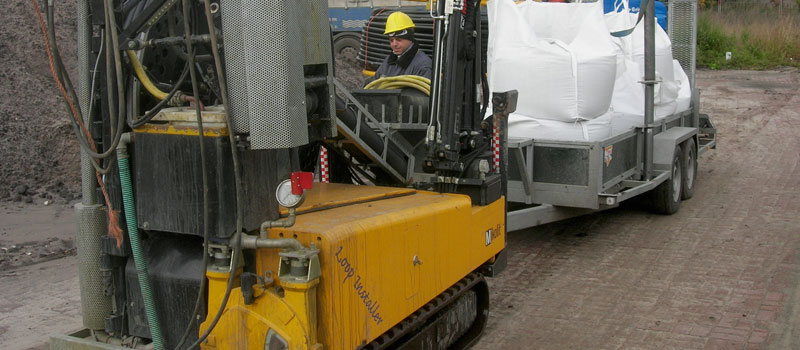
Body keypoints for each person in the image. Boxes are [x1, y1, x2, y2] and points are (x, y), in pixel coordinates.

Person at [374, 12, 432, 80]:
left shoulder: (423, 65)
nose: (394, 44)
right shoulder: (388, 62)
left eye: (399, 40)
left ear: (410, 39)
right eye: (391, 40)